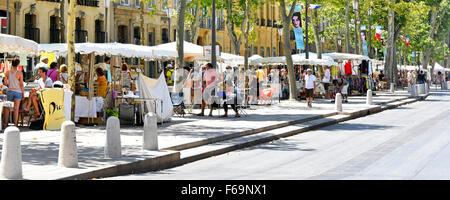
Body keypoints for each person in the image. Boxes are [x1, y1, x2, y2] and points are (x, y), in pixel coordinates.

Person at [2, 58, 24, 129]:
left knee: (7, 108)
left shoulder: (7, 72)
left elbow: (5, 83)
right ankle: (15, 125)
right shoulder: (20, 73)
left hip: (10, 91)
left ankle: (5, 124)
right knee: (16, 109)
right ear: (18, 64)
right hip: (18, 92)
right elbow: (21, 85)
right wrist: (23, 93)